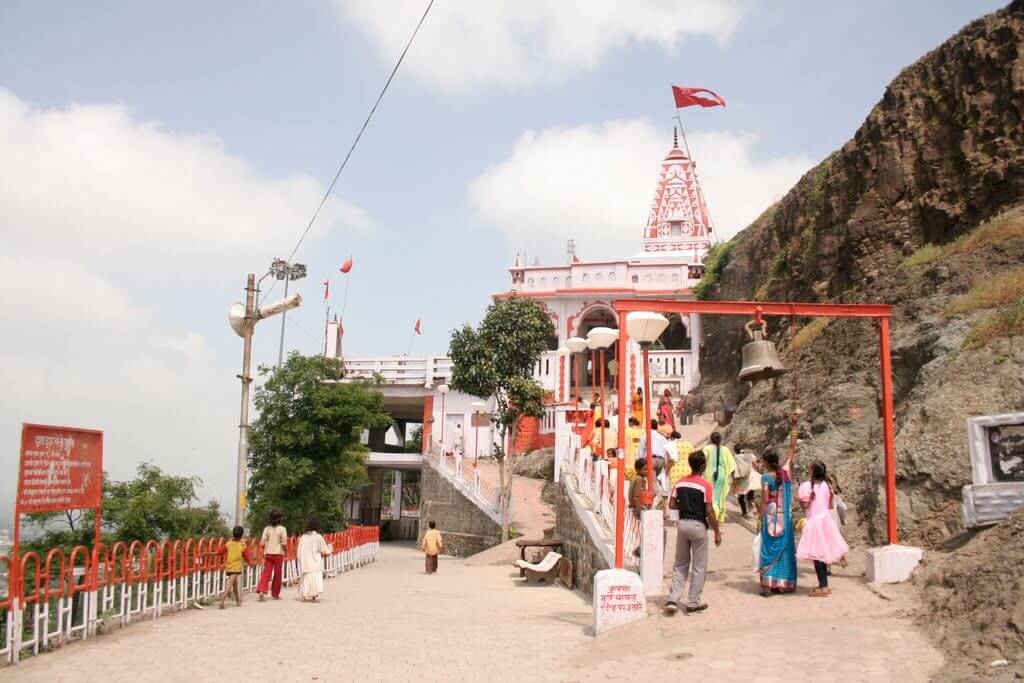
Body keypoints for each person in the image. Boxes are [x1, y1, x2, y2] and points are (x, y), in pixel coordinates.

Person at [665, 450, 722, 614]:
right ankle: (693, 602)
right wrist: (717, 530)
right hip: (698, 526)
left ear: (690, 464)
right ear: (703, 466)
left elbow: (672, 504)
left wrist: (685, 506)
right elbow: (710, 511)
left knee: (680, 563)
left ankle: (672, 600)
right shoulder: (706, 486)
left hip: (682, 525)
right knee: (699, 566)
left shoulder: (680, 482)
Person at [797, 461, 850, 596]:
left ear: (813, 471)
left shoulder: (806, 486)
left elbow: (804, 505)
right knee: (823, 554)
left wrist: (806, 500)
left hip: (815, 522)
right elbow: (829, 504)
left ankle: (823, 586)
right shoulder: (827, 485)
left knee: (817, 557)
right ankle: (823, 584)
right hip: (826, 520)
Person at [757, 448, 797, 595]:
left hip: (771, 518)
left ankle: (768, 584)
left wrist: (760, 518)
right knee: (784, 550)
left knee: (768, 549)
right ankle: (781, 584)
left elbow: (765, 499)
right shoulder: (785, 473)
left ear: (767, 462)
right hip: (785, 519)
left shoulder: (766, 477)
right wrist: (793, 429)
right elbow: (791, 453)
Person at [702, 432, 736, 524]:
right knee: (719, 497)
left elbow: (702, 461)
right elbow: (732, 465)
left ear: (711, 439)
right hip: (722, 476)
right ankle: (719, 518)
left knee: (711, 497)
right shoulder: (725, 450)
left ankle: (713, 516)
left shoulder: (707, 448)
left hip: (709, 476)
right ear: (720, 439)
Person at [297, 515, 331, 602]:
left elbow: (299, 549)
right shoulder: (318, 537)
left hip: (305, 561)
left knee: (305, 577)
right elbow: (323, 549)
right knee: (315, 577)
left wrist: (300, 559)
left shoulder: (303, 537)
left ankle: (304, 594)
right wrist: (329, 550)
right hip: (315, 562)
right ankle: (314, 594)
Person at [218, 526, 253, 609]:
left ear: (233, 534)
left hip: (229, 567)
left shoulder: (228, 543)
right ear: (241, 535)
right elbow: (247, 556)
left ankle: (238, 602)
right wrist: (250, 564)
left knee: (235, 584)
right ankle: (222, 601)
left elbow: (220, 552)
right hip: (236, 567)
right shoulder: (242, 545)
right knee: (230, 584)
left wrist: (209, 554)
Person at [256, 509, 287, 601]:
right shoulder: (282, 529)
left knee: (266, 573)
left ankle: (262, 590)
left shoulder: (267, 529)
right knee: (277, 575)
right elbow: (284, 543)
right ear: (279, 519)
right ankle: (275, 594)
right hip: (278, 554)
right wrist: (286, 550)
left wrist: (263, 551)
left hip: (268, 554)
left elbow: (262, 542)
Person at [731, 445, 759, 518]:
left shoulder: (735, 458)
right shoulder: (749, 455)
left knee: (741, 497)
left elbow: (733, 471)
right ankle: (756, 515)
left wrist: (734, 480)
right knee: (750, 498)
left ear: (735, 451)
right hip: (751, 479)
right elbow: (756, 464)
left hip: (742, 480)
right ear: (743, 449)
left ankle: (744, 512)